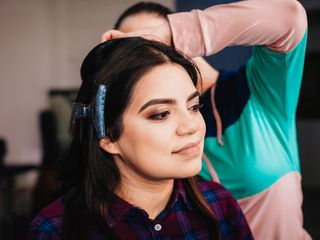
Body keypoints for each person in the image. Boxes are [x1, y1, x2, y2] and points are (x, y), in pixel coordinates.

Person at [101, 0, 310, 239]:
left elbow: (289, 17)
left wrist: (168, 35)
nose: (146, 58)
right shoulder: (135, 146)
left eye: (152, 42)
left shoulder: (257, 92)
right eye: (133, 50)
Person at [27, 38, 253, 239]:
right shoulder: (56, 230)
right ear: (108, 137)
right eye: (161, 114)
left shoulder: (220, 205)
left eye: (194, 107)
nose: (191, 125)